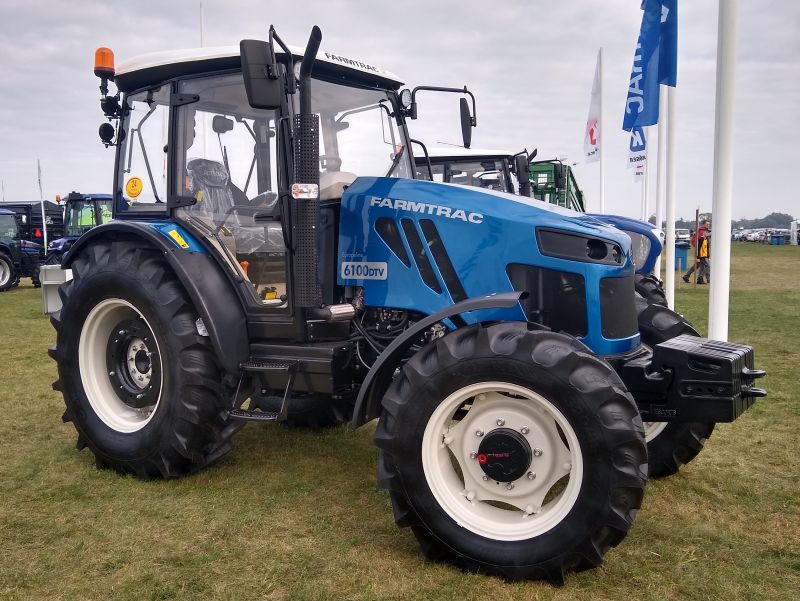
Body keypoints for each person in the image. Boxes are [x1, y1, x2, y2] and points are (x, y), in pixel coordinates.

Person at [683, 220, 711, 284]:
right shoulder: (701, 232)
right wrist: (698, 256)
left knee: (698, 265)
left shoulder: (704, 231)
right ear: (703, 224)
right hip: (701, 253)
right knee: (704, 266)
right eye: (707, 224)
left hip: (703, 253)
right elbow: (700, 245)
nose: (708, 225)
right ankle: (701, 279)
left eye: (709, 224)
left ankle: (686, 276)